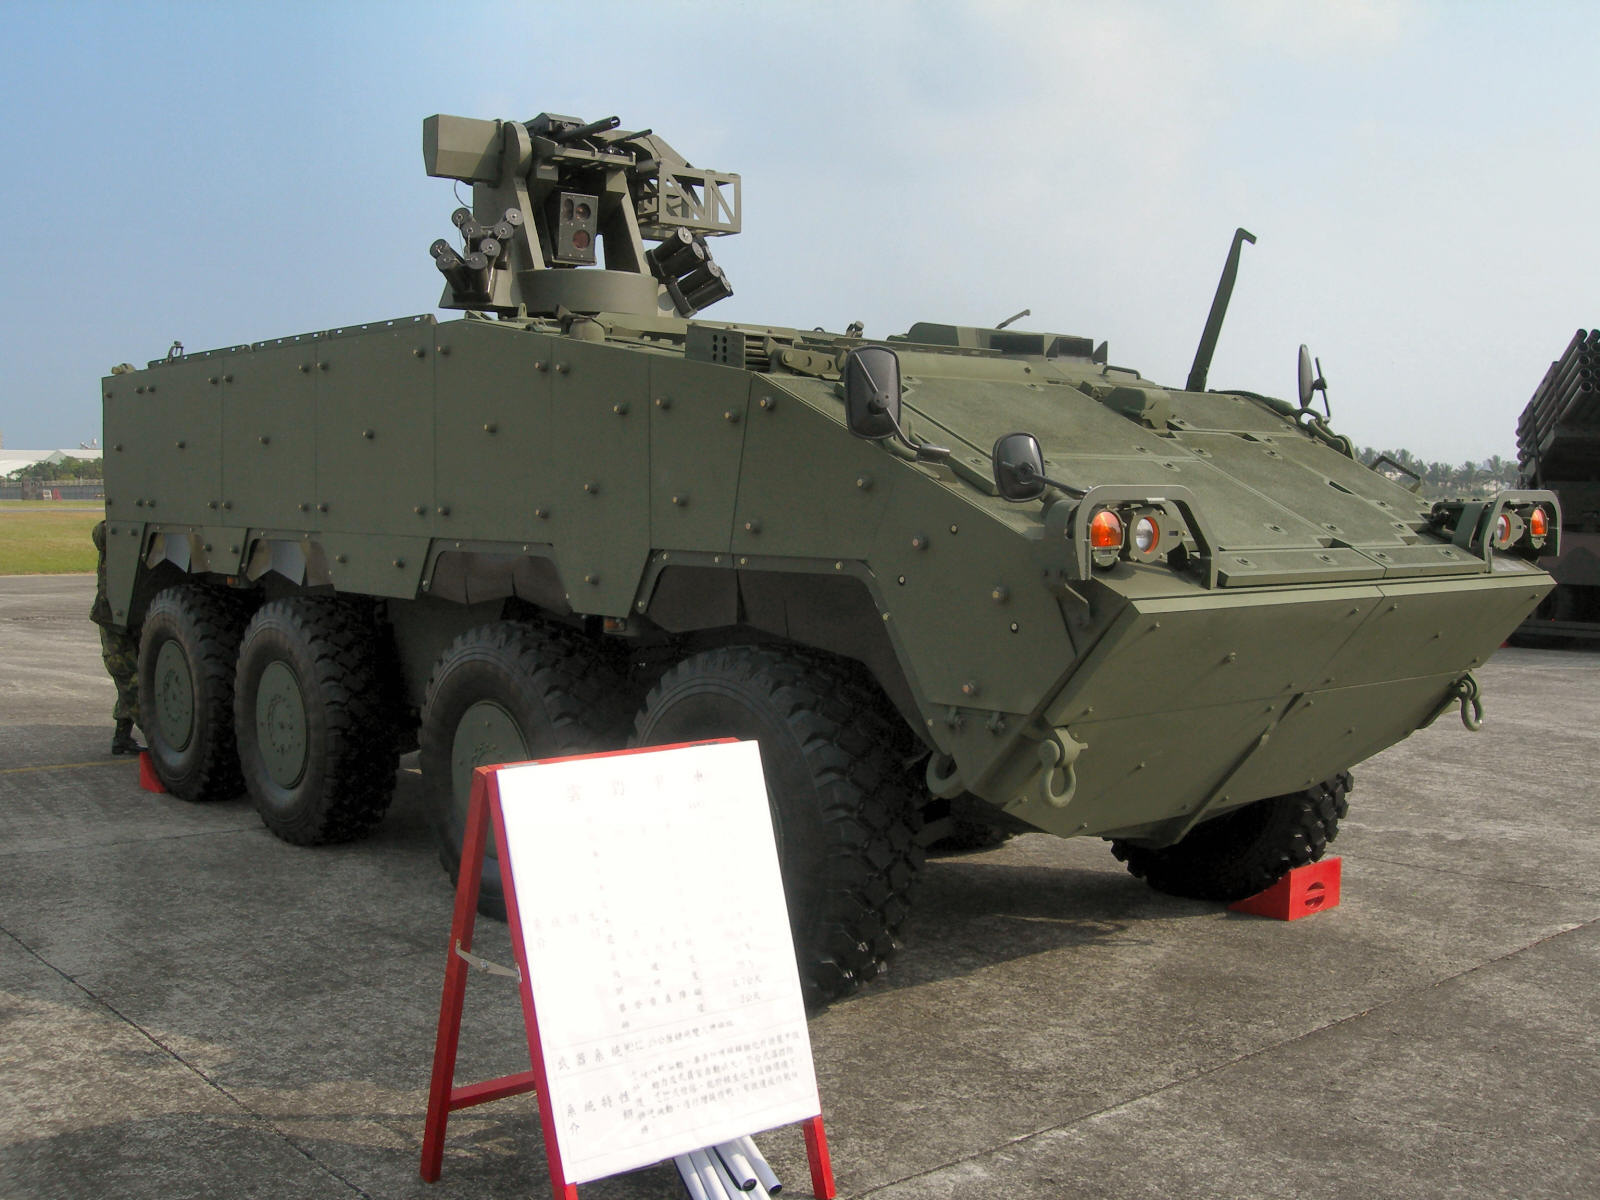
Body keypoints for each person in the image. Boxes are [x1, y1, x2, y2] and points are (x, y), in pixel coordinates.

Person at [90, 520, 144, 755]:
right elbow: (100, 534)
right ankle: (156, 736)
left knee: (133, 678)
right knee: (129, 679)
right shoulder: (110, 529)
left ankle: (122, 737)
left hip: (136, 615)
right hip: (112, 616)